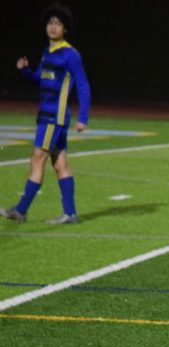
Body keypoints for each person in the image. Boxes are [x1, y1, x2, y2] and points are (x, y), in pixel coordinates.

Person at [1, 3, 91, 226]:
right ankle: (70, 214)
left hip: (55, 117)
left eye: (58, 23)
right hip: (46, 116)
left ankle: (20, 210)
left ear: (65, 28)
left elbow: (83, 85)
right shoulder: (46, 52)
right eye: (50, 22)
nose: (53, 27)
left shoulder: (71, 54)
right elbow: (40, 79)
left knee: (37, 158)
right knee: (60, 165)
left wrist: (83, 117)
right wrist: (25, 71)